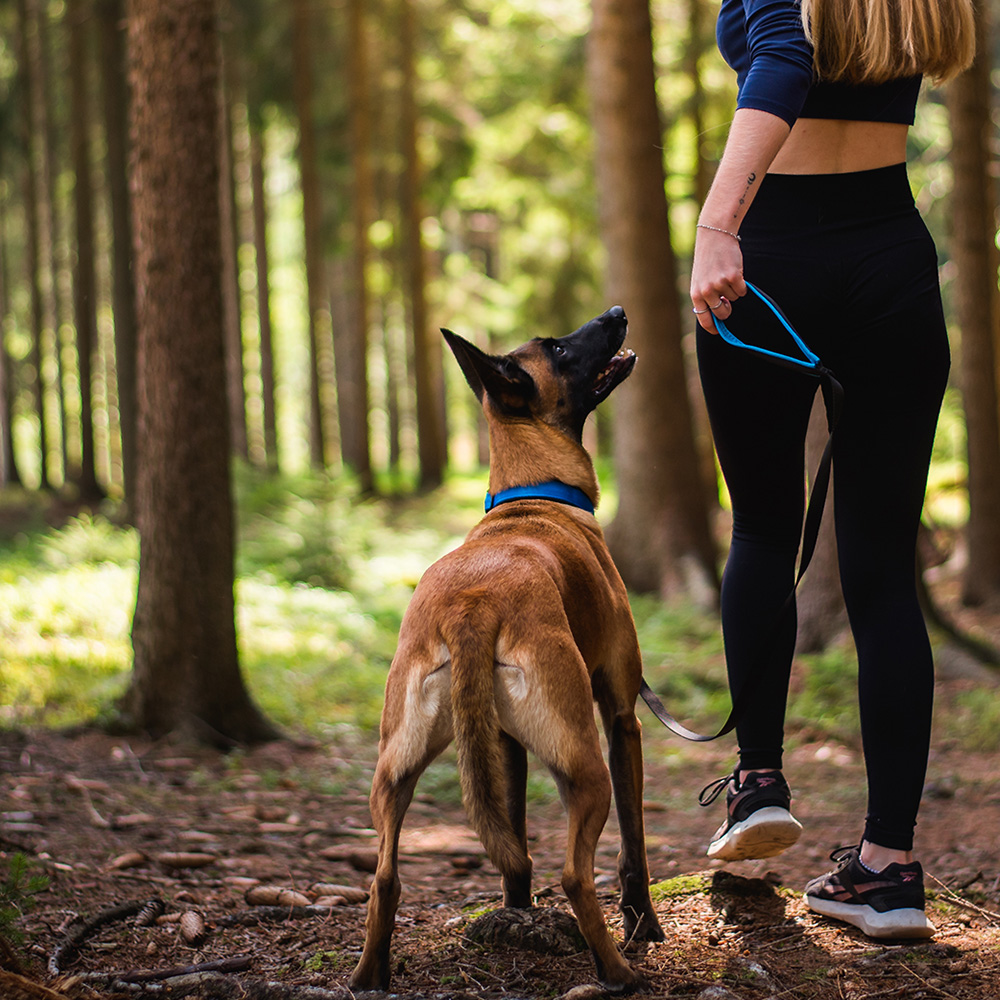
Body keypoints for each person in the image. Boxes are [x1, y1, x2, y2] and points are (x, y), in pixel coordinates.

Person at [689, 0, 975, 940]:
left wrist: (718, 225)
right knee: (885, 568)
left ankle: (759, 785)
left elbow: (782, 55)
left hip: (769, 262)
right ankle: (889, 869)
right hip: (891, 257)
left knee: (767, 527)